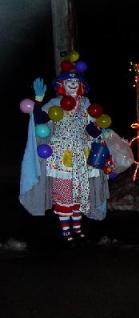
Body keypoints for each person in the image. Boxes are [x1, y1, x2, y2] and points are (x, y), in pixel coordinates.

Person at [19, 55, 110, 243]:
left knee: (79, 191)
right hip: (62, 155)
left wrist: (100, 134)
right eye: (69, 81)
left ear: (81, 85)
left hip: (81, 154)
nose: (73, 84)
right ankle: (65, 229)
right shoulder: (55, 104)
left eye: (76, 81)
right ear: (62, 84)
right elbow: (40, 120)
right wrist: (37, 99)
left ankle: (77, 228)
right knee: (64, 193)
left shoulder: (86, 104)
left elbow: (90, 128)